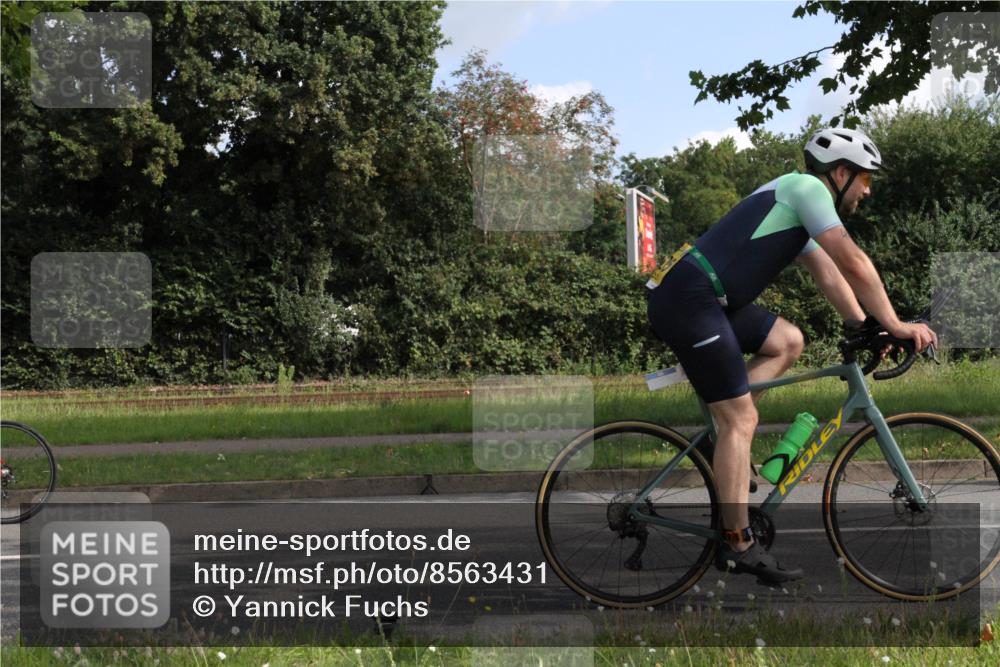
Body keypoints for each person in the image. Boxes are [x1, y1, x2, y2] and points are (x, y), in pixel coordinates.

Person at [646, 127, 938, 584]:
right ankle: (737, 542)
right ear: (840, 173)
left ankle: (722, 437)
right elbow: (853, 260)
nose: (868, 191)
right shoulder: (805, 189)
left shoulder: (796, 208)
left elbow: (829, 274)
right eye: (865, 179)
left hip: (710, 300)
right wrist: (898, 325)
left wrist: (863, 325)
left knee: (789, 341)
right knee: (740, 419)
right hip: (690, 298)